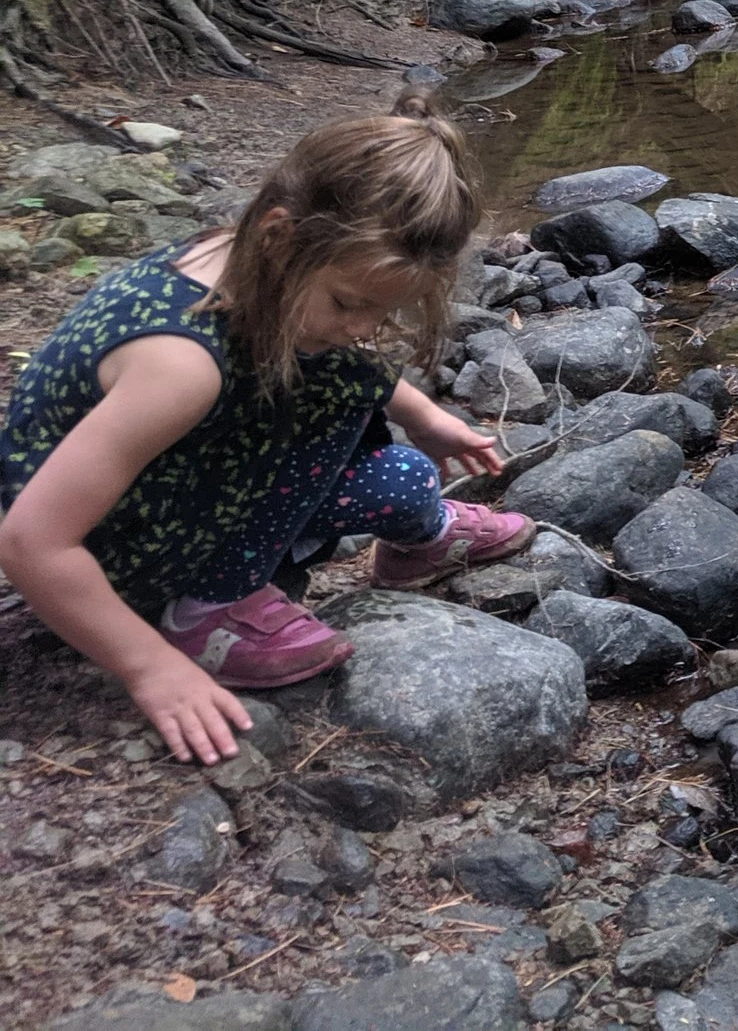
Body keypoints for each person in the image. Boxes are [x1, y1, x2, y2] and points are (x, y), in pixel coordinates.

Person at [0, 94, 536, 765]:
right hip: (109, 543)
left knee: (402, 472)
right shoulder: (180, 369)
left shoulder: (249, 258)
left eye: (384, 310)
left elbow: (339, 351)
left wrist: (423, 415)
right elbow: (30, 541)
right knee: (343, 382)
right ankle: (201, 611)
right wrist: (146, 667)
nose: (365, 326)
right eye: (350, 302)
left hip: (173, 481)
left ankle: (420, 538)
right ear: (280, 235)